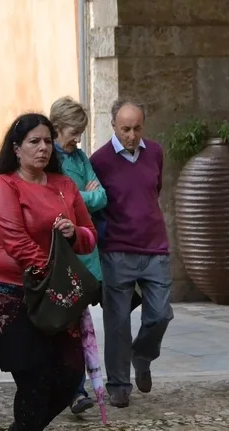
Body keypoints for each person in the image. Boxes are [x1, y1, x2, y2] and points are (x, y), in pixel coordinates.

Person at [0, 113, 97, 431]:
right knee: (32, 377)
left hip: (54, 294)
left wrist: (73, 231)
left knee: (68, 375)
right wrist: (49, 270)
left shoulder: (65, 185)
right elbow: (11, 238)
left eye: (47, 141)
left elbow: (89, 237)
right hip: (11, 293)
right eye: (34, 141)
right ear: (16, 148)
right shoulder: (4, 185)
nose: (43, 147)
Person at [90, 99, 171, 408]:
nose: (132, 135)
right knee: (117, 320)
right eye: (125, 129)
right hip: (117, 250)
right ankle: (119, 384)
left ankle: (143, 354)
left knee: (161, 313)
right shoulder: (100, 160)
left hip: (155, 246)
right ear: (113, 126)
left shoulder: (156, 153)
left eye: (137, 128)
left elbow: (154, 190)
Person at [49, 96, 107, 415]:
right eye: (74, 131)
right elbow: (64, 200)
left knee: (79, 324)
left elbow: (101, 197)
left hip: (84, 254)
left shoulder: (81, 156)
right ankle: (74, 389)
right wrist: (84, 193)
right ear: (58, 127)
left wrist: (80, 195)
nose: (78, 138)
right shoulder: (51, 159)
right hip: (62, 256)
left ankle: (76, 389)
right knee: (70, 325)